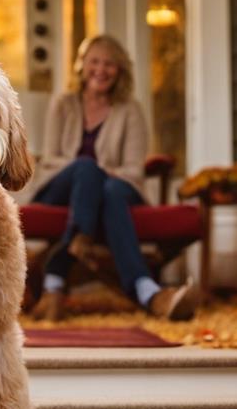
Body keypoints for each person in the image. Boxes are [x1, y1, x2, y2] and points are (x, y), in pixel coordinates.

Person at [29, 34, 195, 321]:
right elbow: (50, 161)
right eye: (94, 62)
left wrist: (99, 175)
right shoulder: (63, 104)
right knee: (85, 168)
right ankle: (146, 291)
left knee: (110, 191)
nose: (101, 70)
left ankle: (63, 279)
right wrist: (90, 170)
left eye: (110, 64)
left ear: (120, 71)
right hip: (61, 187)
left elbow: (133, 171)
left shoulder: (131, 110)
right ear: (82, 66)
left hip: (118, 190)